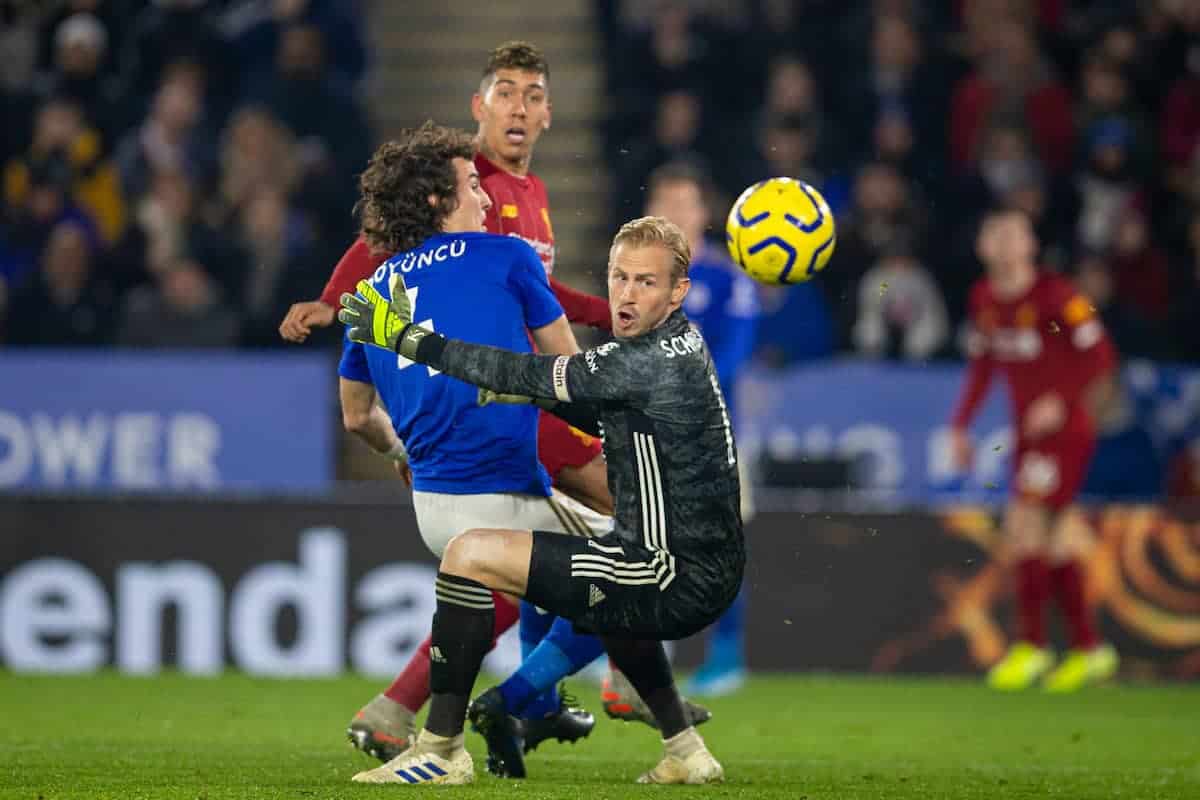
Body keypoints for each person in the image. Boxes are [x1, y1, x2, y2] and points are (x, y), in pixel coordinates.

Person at [277, 42, 671, 763]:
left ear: (550, 113)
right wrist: (335, 304)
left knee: (518, 569)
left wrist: (619, 309)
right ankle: (601, 680)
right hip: (513, 402)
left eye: (532, 95)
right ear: (479, 106)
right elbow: (381, 246)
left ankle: (425, 705)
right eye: (505, 93)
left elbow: (545, 296)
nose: (518, 107)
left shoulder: (535, 196)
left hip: (518, 395)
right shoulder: (465, 185)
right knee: (632, 530)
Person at [340, 214, 741, 785]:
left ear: (679, 292)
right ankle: (686, 750)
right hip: (690, 565)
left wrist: (411, 340)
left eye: (646, 283)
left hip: (666, 573)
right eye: (619, 277)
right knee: (607, 589)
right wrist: (515, 387)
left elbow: (537, 373)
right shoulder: (678, 344)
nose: (626, 295)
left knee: (468, 553)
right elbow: (587, 403)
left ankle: (439, 750)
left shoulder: (641, 361)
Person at [949, 208, 1120, 692]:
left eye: (1012, 234)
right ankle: (1089, 649)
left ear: (1030, 245)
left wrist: (1061, 400)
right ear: (982, 246)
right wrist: (960, 426)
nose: (1002, 243)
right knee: (1057, 537)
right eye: (993, 233)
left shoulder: (1058, 297)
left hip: (1066, 432)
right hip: (1027, 433)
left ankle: (1033, 647)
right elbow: (983, 366)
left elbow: (1100, 356)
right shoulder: (983, 298)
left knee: (1025, 526)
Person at [642, 161, 759, 697]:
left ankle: (727, 658)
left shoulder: (728, 279)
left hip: (711, 437)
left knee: (713, 547)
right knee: (642, 542)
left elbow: (733, 359)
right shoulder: (635, 281)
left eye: (683, 205)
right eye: (663, 204)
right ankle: (640, 651)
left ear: (703, 216)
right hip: (644, 432)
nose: (673, 214)